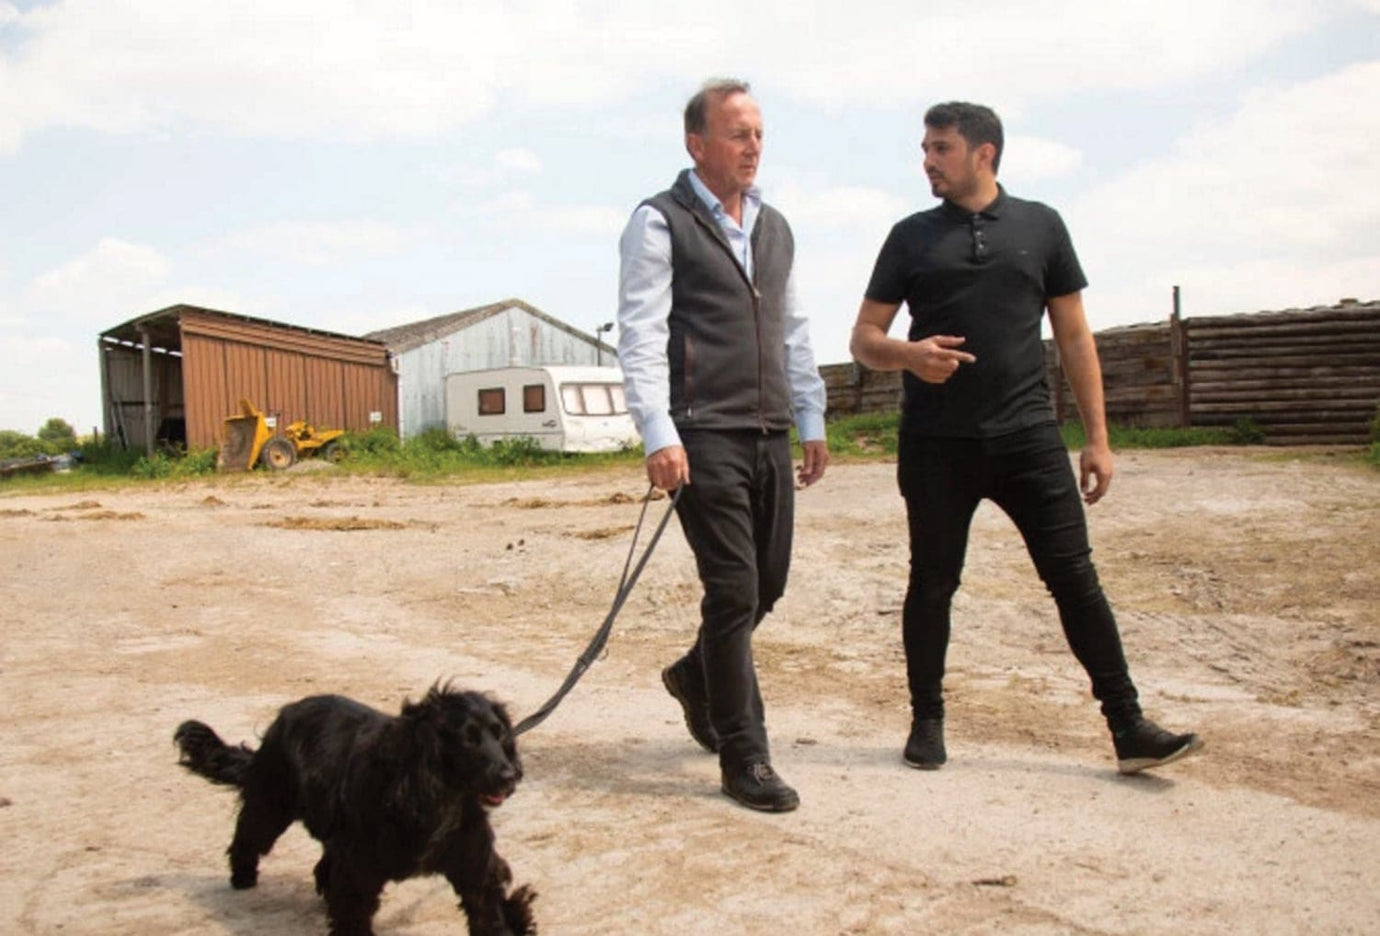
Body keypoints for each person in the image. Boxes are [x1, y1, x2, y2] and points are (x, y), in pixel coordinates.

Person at [849, 101, 1202, 775]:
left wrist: (1097, 437)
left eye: (941, 148)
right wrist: (910, 355)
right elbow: (863, 340)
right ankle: (927, 720)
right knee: (932, 582)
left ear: (985, 153)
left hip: (1027, 438)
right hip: (936, 442)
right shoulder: (909, 237)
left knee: (1074, 577)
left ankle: (1128, 726)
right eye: (925, 148)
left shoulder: (1042, 227)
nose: (927, 160)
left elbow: (1073, 335)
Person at [617, 78, 830, 812]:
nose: (752, 147)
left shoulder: (775, 226)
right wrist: (658, 431)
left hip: (770, 429)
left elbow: (794, 329)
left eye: (759, 134)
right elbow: (641, 332)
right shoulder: (658, 222)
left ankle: (694, 674)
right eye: (737, 133)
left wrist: (811, 416)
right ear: (697, 143)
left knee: (767, 586)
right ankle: (747, 755)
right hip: (702, 433)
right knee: (734, 590)